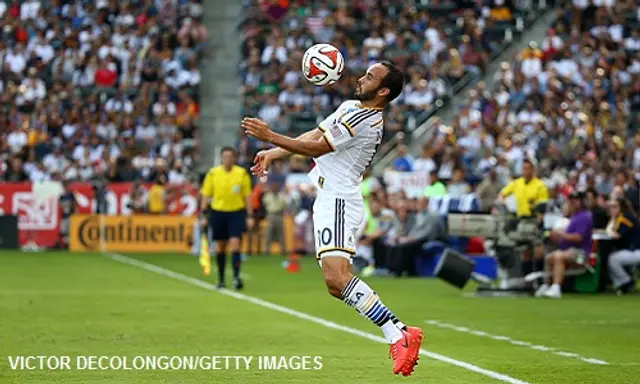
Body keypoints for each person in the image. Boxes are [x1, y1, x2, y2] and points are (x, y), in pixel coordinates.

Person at [241, 62, 424, 376]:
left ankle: (399, 333)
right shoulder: (352, 106)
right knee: (336, 285)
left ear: (383, 91)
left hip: (339, 200)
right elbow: (317, 133)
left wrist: (271, 135)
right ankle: (399, 332)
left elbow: (318, 147)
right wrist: (273, 152)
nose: (361, 78)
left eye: (370, 77)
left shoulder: (365, 118)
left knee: (336, 279)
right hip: (330, 199)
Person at [199, 147, 254, 290]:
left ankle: (236, 277)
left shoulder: (241, 174)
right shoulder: (213, 174)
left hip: (236, 213)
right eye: (225, 157)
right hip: (218, 212)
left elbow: (247, 196)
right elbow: (206, 194)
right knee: (220, 247)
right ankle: (221, 279)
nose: (227, 159)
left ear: (234, 158)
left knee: (235, 244)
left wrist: (250, 215)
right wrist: (203, 214)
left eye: (230, 156)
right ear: (221, 158)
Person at [535, 191, 593, 299]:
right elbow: (564, 240)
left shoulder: (584, 217)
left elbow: (578, 238)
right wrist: (555, 236)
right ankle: (547, 285)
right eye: (571, 201)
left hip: (581, 253)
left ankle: (556, 287)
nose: (572, 203)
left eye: (575, 201)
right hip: (569, 250)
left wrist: (562, 234)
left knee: (558, 256)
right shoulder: (574, 217)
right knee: (549, 257)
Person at [497, 158, 549, 275]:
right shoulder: (517, 183)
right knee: (525, 251)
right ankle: (526, 278)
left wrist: (539, 220)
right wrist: (502, 201)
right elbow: (502, 194)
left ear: (533, 170)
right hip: (520, 220)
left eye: (527, 169)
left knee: (537, 250)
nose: (525, 171)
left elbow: (542, 207)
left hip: (534, 219)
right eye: (523, 169)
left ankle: (539, 277)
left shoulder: (540, 186)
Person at [605, 198, 640, 295]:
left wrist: (608, 231)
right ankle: (622, 285)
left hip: (635, 251)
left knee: (612, 259)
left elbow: (616, 235)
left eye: (614, 207)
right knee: (611, 257)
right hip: (630, 250)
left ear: (621, 208)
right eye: (610, 207)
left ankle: (626, 282)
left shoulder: (625, 218)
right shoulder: (618, 218)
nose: (611, 209)